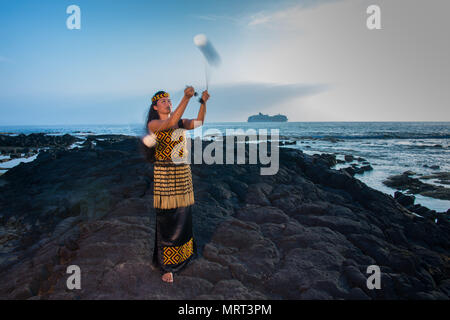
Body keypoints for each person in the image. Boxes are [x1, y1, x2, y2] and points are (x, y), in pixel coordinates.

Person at [144, 86, 209, 283]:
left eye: (169, 100)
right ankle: (168, 265)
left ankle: (184, 257)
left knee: (184, 216)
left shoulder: (180, 120)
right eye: (163, 101)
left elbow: (199, 122)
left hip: (183, 174)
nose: (167, 102)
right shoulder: (154, 124)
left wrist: (203, 102)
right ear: (155, 107)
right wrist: (186, 98)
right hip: (165, 176)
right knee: (169, 219)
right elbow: (170, 123)